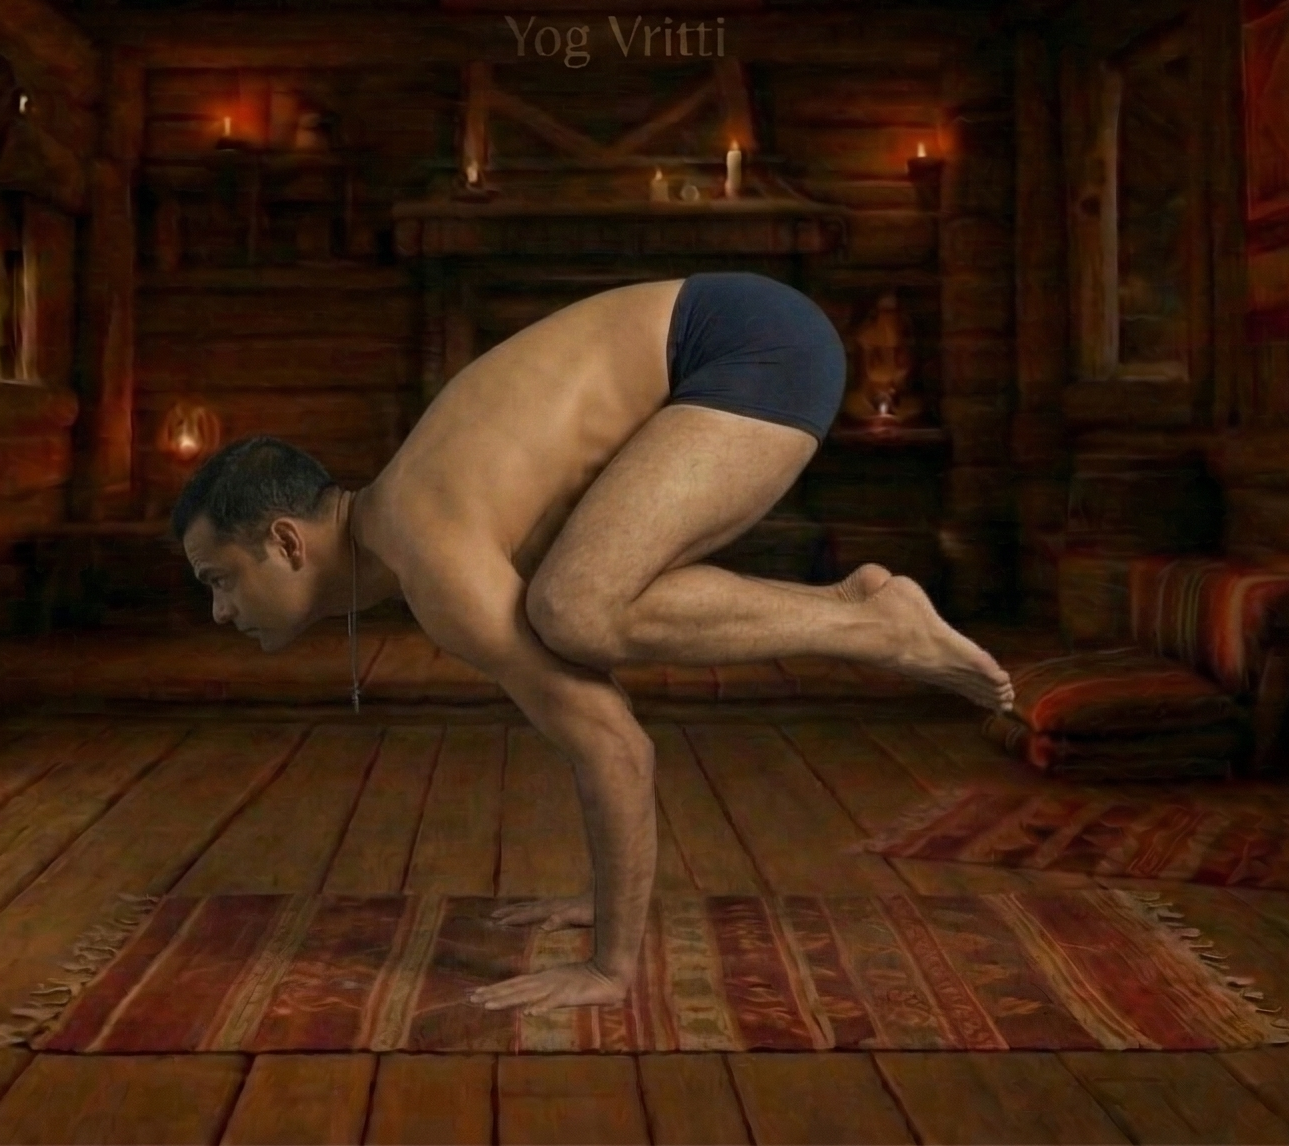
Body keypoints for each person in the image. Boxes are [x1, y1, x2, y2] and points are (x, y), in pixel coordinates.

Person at [167, 272, 1016, 1017]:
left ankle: (874, 623)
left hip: (751, 343)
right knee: (573, 602)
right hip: (733, 340)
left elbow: (614, 745)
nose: (219, 612)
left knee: (574, 608)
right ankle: (860, 609)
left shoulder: (431, 553)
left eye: (219, 579)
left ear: (286, 541)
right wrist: (599, 897)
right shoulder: (414, 526)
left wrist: (609, 967)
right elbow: (595, 710)